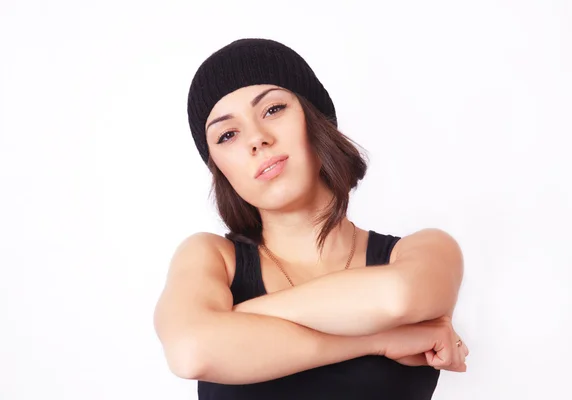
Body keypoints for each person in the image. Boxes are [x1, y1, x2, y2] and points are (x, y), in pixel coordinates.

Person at [153, 38, 469, 400]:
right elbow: (191, 350)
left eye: (273, 110)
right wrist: (379, 340)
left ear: (317, 118)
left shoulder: (423, 250)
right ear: (220, 169)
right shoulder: (210, 257)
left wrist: (236, 318)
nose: (256, 139)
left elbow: (400, 298)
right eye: (227, 134)